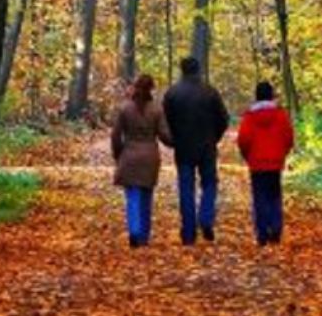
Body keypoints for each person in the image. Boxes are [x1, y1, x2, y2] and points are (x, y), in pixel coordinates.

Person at [162, 55, 229, 244]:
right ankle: (206, 218)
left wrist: (172, 141)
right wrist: (214, 138)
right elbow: (224, 119)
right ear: (198, 69)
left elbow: (164, 121)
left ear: (182, 70)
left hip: (183, 148)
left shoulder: (172, 93)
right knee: (210, 184)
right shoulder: (210, 92)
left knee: (186, 188)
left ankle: (189, 232)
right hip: (207, 147)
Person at [110, 73, 169, 248]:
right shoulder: (157, 109)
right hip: (150, 157)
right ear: (151, 88)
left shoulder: (125, 108)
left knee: (133, 198)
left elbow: (115, 136)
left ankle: (134, 231)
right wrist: (178, 141)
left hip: (130, 156)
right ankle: (144, 236)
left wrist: (119, 155)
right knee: (146, 198)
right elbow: (165, 135)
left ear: (135, 87)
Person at [236, 80, 295, 246]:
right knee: (274, 196)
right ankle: (275, 230)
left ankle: (262, 233)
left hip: (257, 163)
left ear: (256, 96)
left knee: (259, 197)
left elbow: (243, 140)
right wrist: (283, 153)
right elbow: (288, 137)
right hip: (275, 163)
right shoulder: (281, 115)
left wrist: (247, 155)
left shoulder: (249, 116)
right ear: (271, 95)